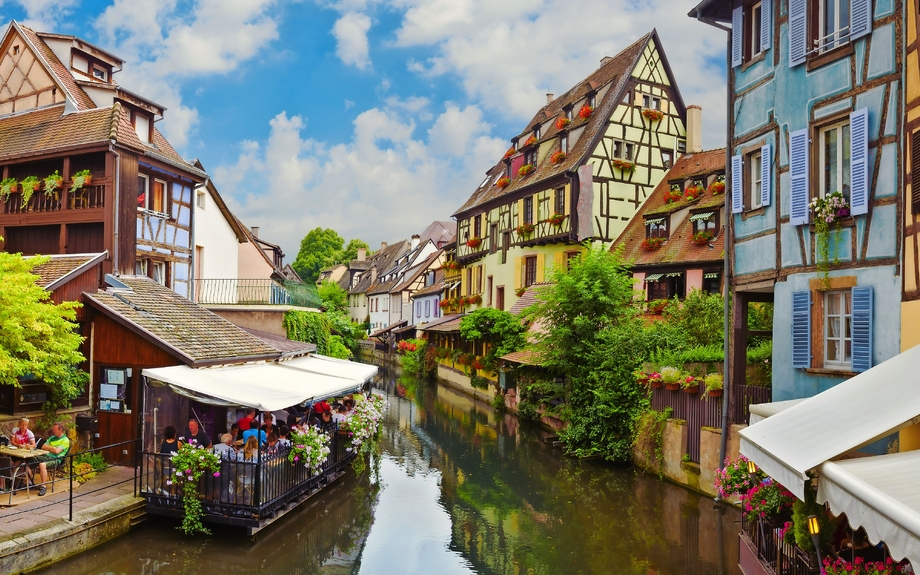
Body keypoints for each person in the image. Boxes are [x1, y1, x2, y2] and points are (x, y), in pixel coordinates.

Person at [33, 423, 69, 496]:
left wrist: (50, 448)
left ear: (60, 430)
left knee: (42, 464)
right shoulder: (52, 437)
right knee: (29, 458)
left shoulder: (65, 440)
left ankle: (43, 487)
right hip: (46, 456)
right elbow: (43, 447)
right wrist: (52, 448)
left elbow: (57, 451)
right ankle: (29, 483)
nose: (53, 431)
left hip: (55, 459)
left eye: (55, 429)